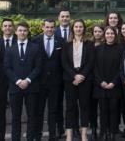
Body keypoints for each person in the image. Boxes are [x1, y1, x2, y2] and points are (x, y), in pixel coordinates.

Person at [4, 22, 43, 141]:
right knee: (16, 117)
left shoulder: (35, 48)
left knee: (32, 116)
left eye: (25, 30)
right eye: (20, 30)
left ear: (28, 32)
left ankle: (30, 138)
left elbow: (38, 67)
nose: (22, 32)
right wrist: (18, 81)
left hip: (31, 87)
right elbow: (7, 68)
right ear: (16, 32)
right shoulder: (10, 49)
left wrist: (27, 80)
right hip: (15, 88)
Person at [62, 19, 96, 141]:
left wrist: (81, 75)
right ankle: (69, 135)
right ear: (73, 29)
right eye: (76, 27)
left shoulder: (89, 44)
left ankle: (84, 134)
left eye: (81, 27)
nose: (78, 29)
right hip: (70, 80)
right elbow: (64, 62)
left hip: (85, 80)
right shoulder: (66, 44)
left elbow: (91, 62)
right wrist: (74, 76)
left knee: (84, 106)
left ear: (84, 28)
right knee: (70, 107)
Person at [34, 19, 65, 141]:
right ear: (43, 27)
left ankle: (53, 135)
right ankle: (38, 135)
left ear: (55, 28)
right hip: (40, 82)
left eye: (52, 27)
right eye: (47, 27)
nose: (50, 29)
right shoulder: (35, 41)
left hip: (55, 82)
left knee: (53, 110)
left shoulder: (61, 41)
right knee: (39, 110)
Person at [94, 26, 123, 141]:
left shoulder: (121, 49)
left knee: (114, 110)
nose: (109, 35)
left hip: (114, 85)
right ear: (104, 35)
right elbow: (94, 67)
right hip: (101, 85)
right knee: (103, 110)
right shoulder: (97, 49)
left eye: (112, 34)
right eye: (107, 33)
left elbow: (122, 68)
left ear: (115, 35)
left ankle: (112, 132)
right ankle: (103, 132)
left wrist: (114, 82)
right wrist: (101, 81)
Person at [0, 18, 16, 141]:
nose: (7, 28)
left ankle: (15, 136)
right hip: (1, 80)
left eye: (10, 25)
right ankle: (1, 137)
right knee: (1, 110)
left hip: (16, 80)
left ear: (13, 28)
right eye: (5, 26)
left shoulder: (19, 41)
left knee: (16, 111)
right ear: (2, 28)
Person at [55, 9, 72, 138]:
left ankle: (74, 128)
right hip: (58, 75)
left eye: (67, 16)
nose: (65, 18)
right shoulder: (52, 32)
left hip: (74, 75)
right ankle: (60, 128)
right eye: (62, 16)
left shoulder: (76, 30)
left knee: (73, 104)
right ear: (58, 18)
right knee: (58, 103)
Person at [89, 25, 104, 140]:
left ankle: (104, 129)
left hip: (103, 81)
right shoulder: (88, 45)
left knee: (103, 108)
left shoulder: (106, 45)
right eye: (95, 31)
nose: (97, 33)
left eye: (100, 31)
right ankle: (93, 128)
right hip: (90, 81)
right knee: (92, 107)